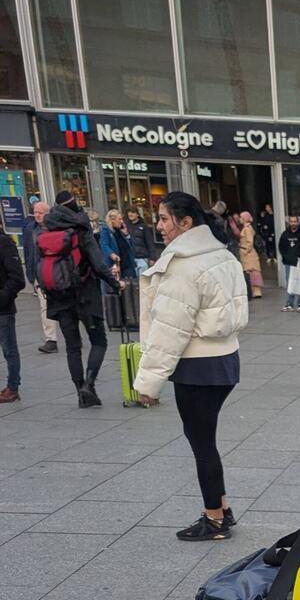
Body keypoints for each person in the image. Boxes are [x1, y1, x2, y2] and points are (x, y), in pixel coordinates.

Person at [132, 191, 248, 541]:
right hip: (225, 360)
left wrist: (148, 383)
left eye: (164, 219)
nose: (159, 226)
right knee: (204, 439)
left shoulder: (184, 265)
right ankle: (222, 508)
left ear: (185, 223)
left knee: (202, 443)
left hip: (197, 366)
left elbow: (170, 330)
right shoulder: (222, 254)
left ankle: (214, 518)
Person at [39, 191, 122, 407]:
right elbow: (98, 264)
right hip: (85, 296)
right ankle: (89, 385)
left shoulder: (47, 229)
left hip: (59, 297)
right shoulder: (81, 229)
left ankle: (80, 393)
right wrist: (116, 284)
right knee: (99, 341)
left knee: (72, 347)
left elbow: (38, 265)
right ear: (75, 205)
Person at [22, 199, 60, 353]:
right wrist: (30, 273)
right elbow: (27, 251)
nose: (37, 215)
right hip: (39, 273)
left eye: (40, 213)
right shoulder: (30, 229)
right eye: (35, 212)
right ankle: (51, 339)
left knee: (65, 305)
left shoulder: (56, 227)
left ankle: (73, 333)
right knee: (45, 307)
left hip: (56, 272)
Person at [0, 226, 26, 403]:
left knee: (9, 349)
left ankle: (13, 387)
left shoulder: (5, 244)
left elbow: (17, 279)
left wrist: (3, 297)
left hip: (3, 309)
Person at [99, 209, 137, 287]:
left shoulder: (120, 231)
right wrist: (112, 254)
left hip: (127, 265)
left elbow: (130, 246)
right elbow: (104, 245)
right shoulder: (106, 230)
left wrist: (127, 234)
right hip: (116, 265)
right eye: (119, 219)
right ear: (112, 220)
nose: (122, 221)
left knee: (131, 287)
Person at [278, 215, 300, 312]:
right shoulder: (285, 234)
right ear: (289, 222)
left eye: (295, 221)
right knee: (290, 283)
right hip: (288, 263)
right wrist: (285, 257)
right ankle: (289, 304)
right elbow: (281, 247)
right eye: (291, 221)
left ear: (298, 222)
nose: (293, 223)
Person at [124, 207, 159, 277]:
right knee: (133, 281)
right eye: (129, 212)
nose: (130, 214)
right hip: (130, 259)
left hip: (142, 258)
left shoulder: (144, 226)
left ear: (137, 214)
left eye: (133, 212)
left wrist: (152, 258)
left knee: (143, 280)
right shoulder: (125, 225)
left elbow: (150, 242)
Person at [237, 211, 263, 298]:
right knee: (250, 272)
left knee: (252, 271)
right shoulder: (246, 228)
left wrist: (246, 250)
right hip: (246, 252)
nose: (240, 219)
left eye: (241, 217)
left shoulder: (247, 229)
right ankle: (252, 290)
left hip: (248, 254)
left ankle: (256, 291)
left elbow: (250, 242)